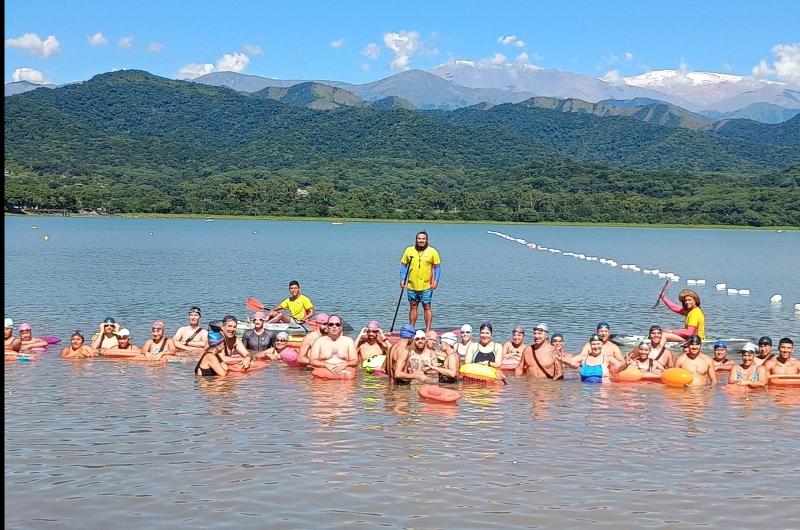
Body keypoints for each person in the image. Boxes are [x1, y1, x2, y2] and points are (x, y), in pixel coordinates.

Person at [400, 230, 441, 332]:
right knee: (413, 306)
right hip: (412, 285)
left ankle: (427, 330)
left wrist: (436, 280)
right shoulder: (409, 250)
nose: (421, 241)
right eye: (419, 239)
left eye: (423, 239)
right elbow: (403, 266)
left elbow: (437, 267)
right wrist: (402, 279)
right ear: (416, 239)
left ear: (426, 240)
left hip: (427, 285)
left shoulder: (432, 251)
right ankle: (411, 329)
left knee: (427, 306)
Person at [561, 334, 625, 382]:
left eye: (598, 344)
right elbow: (571, 363)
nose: (596, 346)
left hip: (603, 391)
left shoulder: (607, 359)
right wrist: (562, 360)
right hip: (585, 394)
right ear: (590, 345)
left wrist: (626, 364)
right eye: (593, 344)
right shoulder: (583, 358)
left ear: (602, 344)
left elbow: (619, 368)